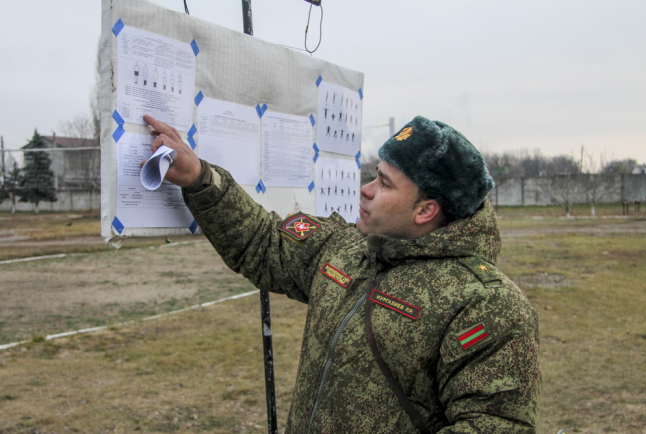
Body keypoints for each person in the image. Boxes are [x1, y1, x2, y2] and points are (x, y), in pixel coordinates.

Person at [143, 114, 540, 433]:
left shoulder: (486, 304)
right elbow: (264, 243)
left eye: (384, 184)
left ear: (425, 210)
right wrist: (200, 178)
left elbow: (494, 425)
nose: (366, 190)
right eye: (374, 174)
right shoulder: (346, 248)